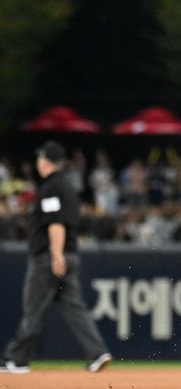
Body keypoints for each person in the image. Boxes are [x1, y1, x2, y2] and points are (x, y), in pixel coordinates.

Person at [1, 142, 112, 374]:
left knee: (34, 307)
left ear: (46, 160)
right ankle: (97, 352)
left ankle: (18, 359)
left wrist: (56, 254)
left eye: (40, 158)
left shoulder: (52, 187)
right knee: (74, 306)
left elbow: (56, 223)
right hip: (70, 255)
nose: (38, 162)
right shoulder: (68, 187)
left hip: (50, 257)